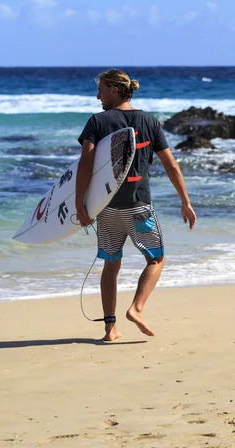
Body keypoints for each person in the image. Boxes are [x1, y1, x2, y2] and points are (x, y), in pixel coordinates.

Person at [76, 69, 197, 342]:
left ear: (114, 91)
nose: (98, 95)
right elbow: (171, 164)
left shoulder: (97, 122)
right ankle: (137, 308)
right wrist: (185, 202)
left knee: (111, 264)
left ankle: (110, 329)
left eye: (101, 89)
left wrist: (80, 203)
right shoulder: (149, 121)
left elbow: (85, 164)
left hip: (106, 209)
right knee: (156, 258)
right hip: (138, 207)